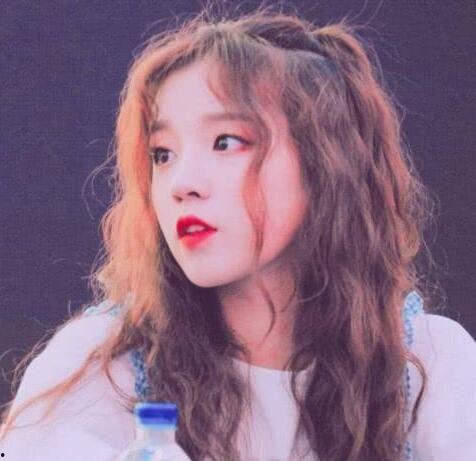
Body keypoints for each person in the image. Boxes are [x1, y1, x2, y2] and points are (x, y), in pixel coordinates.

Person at [1, 3, 475, 461]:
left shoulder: (428, 364)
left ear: (326, 166)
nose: (182, 183)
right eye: (162, 154)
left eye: (226, 142)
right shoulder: (105, 367)